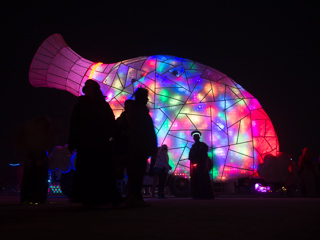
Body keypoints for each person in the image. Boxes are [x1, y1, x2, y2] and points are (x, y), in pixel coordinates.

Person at [68, 79, 122, 206]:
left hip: (99, 144)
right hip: (87, 144)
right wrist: (72, 141)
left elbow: (110, 123)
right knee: (88, 171)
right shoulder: (81, 105)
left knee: (100, 171)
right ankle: (87, 197)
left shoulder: (101, 105)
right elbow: (74, 125)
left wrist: (110, 138)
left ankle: (100, 196)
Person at [117, 88, 158, 207]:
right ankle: (134, 197)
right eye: (145, 97)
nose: (147, 99)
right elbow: (146, 131)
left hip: (138, 148)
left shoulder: (139, 112)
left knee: (137, 174)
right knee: (136, 174)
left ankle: (135, 197)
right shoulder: (138, 112)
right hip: (137, 148)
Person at [15, 116, 53, 204]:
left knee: (29, 177)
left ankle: (27, 197)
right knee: (41, 177)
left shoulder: (29, 126)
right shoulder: (44, 126)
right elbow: (48, 139)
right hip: (40, 152)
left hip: (31, 152)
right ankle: (40, 197)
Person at [188, 130, 214, 199]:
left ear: (199, 137)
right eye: (194, 137)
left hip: (201, 166)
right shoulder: (194, 146)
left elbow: (204, 156)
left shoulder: (203, 145)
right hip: (196, 166)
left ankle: (203, 194)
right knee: (197, 180)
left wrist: (199, 162)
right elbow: (190, 156)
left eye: (196, 137)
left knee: (202, 180)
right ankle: (198, 194)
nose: (195, 138)